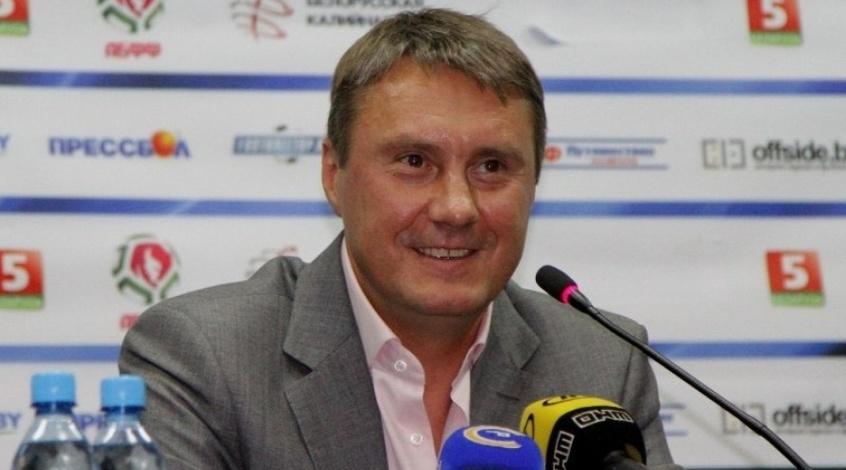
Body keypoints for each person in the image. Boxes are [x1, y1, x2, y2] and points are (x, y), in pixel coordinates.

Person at [119, 8, 681, 470]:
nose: (457, 208)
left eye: (491, 166)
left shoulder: (602, 364)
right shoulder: (206, 357)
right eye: (414, 161)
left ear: (534, 181)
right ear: (333, 174)